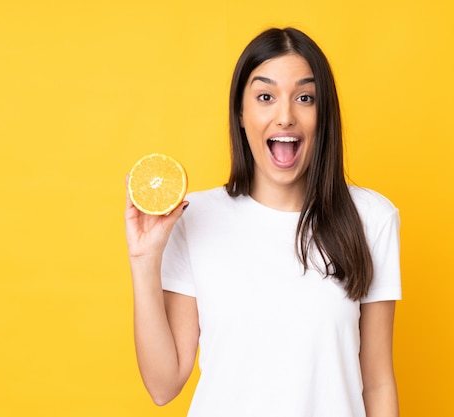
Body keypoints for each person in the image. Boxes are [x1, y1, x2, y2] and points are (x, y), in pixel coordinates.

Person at [125, 27, 401, 417]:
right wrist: (143, 261)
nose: (285, 116)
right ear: (241, 112)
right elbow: (163, 384)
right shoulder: (195, 219)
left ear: (324, 116)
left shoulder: (372, 219)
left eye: (305, 98)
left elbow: (377, 383)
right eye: (265, 97)